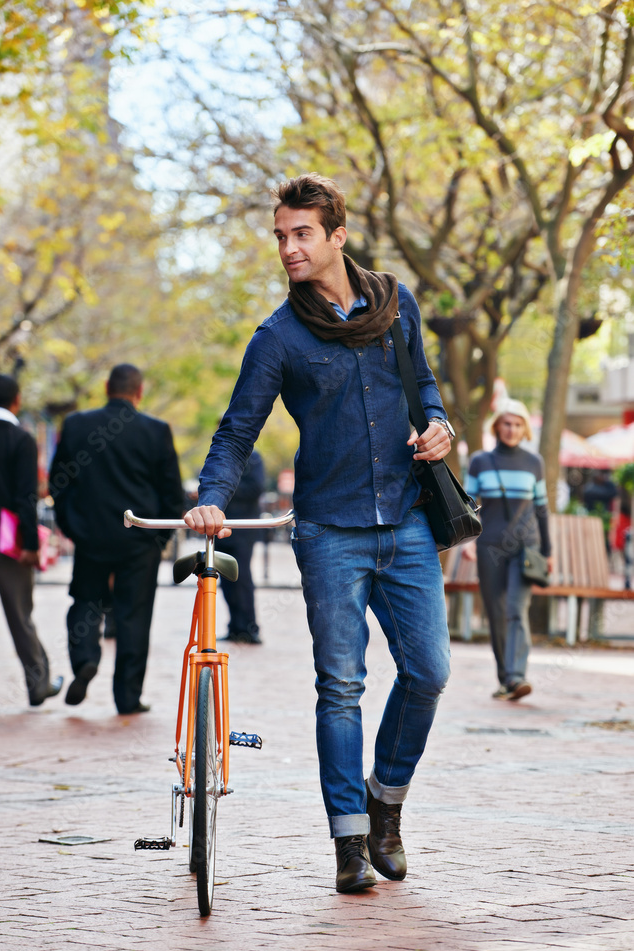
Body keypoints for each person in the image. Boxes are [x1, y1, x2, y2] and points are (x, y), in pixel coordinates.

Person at [184, 173, 453, 894]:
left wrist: (439, 425)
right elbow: (236, 432)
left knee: (428, 672)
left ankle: (385, 803)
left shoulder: (397, 307)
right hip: (328, 534)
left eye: (301, 233)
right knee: (340, 685)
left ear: (337, 235)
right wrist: (211, 500)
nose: (288, 248)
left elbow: (424, 387)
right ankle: (348, 843)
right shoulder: (277, 336)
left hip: (405, 523)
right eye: (280, 235)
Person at [49, 364, 184, 715]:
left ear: (107, 387)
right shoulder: (156, 431)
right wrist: (161, 537)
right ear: (139, 392)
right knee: (134, 615)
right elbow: (171, 492)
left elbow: (58, 483)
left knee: (85, 601)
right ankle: (127, 697)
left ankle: (85, 660)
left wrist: (71, 526)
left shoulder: (77, 425)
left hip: (90, 535)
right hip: (139, 537)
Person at [0, 374, 63, 712]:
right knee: (21, 615)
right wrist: (32, 547)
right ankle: (38, 685)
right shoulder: (19, 440)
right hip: (5, 541)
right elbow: (25, 497)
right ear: (17, 400)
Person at [464, 399, 552, 701]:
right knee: (496, 613)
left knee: (516, 609)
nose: (512, 429)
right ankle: (506, 679)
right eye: (506, 423)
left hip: (525, 548)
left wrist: (548, 551)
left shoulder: (534, 462)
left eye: (517, 424)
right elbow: (467, 507)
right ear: (497, 426)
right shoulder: (479, 461)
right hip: (489, 547)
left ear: (524, 428)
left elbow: (542, 509)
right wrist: (468, 544)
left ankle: (517, 677)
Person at [215, 448, 266, 644]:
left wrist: (223, 489)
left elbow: (256, 487)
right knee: (227, 580)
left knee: (242, 578)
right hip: (222, 527)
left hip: (243, 527)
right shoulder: (219, 456)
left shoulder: (253, 457)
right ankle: (235, 627)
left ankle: (249, 628)